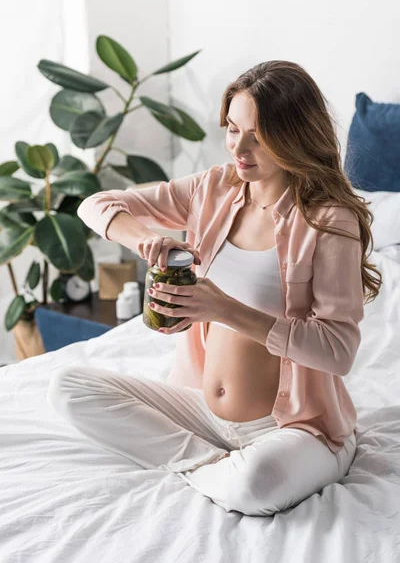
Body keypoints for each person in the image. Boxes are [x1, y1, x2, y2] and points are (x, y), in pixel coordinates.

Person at [47, 60, 382, 516]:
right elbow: (96, 204)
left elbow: (339, 350)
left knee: (259, 484)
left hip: (292, 427)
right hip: (203, 414)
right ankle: (214, 465)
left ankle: (232, 471)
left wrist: (222, 307)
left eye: (258, 137)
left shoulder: (328, 220)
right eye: (232, 129)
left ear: (294, 136)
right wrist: (145, 238)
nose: (238, 150)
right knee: (67, 388)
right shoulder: (213, 188)